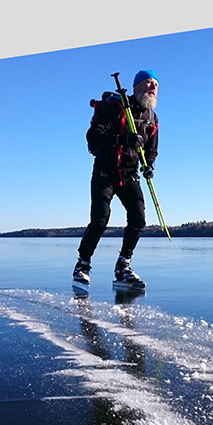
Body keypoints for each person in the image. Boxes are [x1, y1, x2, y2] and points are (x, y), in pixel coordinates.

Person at [73, 69, 160, 289]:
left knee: (138, 219)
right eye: (148, 83)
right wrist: (123, 138)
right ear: (136, 86)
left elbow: (152, 149)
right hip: (105, 171)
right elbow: (93, 138)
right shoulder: (116, 107)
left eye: (156, 85)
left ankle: (123, 265)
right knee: (101, 219)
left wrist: (149, 166)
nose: (153, 88)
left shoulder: (152, 117)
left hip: (130, 175)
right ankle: (82, 264)